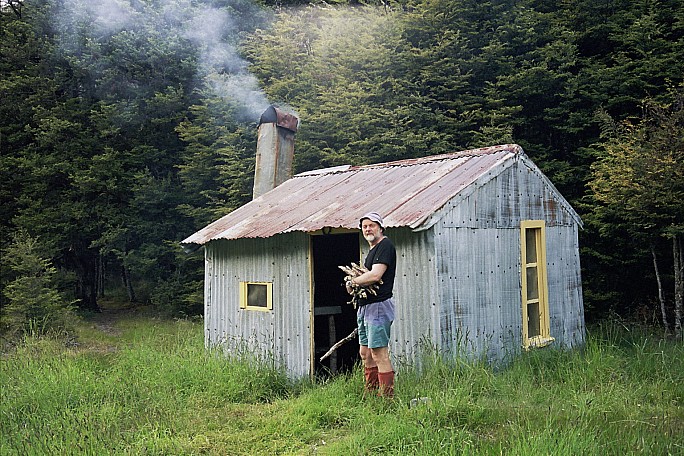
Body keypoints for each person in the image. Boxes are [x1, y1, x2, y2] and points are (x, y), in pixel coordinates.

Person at [345, 212, 396, 398]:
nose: (368, 229)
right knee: (365, 353)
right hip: (365, 307)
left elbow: (375, 275)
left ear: (380, 228)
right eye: (365, 226)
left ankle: (387, 399)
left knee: (378, 353)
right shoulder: (373, 250)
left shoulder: (385, 246)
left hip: (378, 306)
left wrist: (353, 282)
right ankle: (371, 393)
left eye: (372, 225)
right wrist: (354, 286)